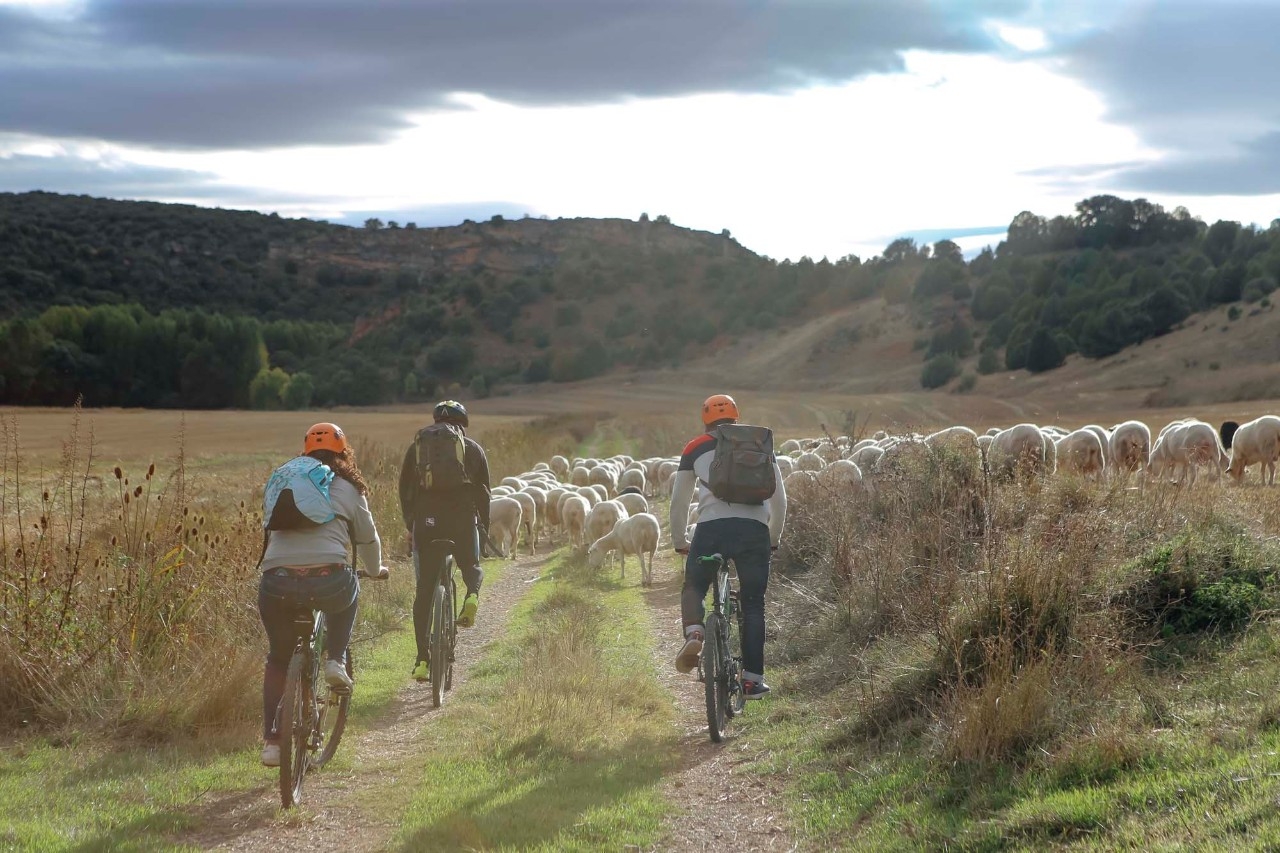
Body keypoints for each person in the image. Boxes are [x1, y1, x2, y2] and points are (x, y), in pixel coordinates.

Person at [258, 422, 386, 767]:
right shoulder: (348, 488)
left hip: (277, 580)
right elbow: (367, 539)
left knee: (278, 659)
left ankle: (271, 742)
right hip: (328, 578)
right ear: (343, 453)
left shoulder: (286, 481)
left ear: (305, 454)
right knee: (350, 590)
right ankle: (335, 659)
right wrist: (375, 570)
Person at [669, 394, 787, 699]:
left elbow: (680, 501)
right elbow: (780, 501)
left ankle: (695, 630)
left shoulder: (694, 447)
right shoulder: (759, 443)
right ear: (736, 416)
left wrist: (680, 540)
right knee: (752, 603)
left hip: (711, 531)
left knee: (694, 584)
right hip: (753, 533)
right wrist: (772, 538)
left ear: (705, 419)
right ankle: (752, 680)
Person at [398, 400, 492, 682]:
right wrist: (483, 528)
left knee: (424, 591)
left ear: (435, 420)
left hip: (427, 521)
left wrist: (411, 524)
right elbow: (484, 492)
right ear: (463, 423)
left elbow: (405, 489)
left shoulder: (418, 447)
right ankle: (472, 595)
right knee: (471, 565)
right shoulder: (472, 448)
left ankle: (422, 660)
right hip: (461, 520)